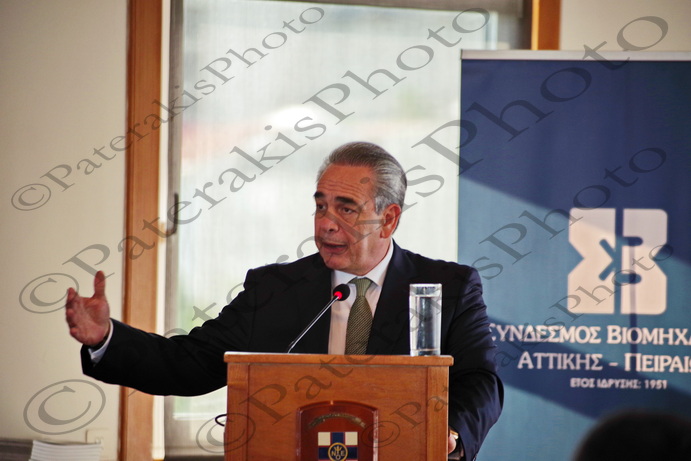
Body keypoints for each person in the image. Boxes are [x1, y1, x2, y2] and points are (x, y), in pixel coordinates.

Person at [65, 141, 503, 460]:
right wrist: (106, 338)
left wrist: (450, 434)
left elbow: (480, 381)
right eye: (321, 206)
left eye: (346, 208)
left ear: (388, 219)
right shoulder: (274, 288)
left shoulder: (448, 286)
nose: (326, 224)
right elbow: (189, 363)